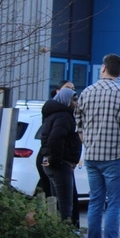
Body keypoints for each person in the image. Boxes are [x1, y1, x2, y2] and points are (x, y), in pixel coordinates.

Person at [75, 54, 120, 238]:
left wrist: (89, 145)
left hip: (92, 156)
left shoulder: (87, 92)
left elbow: (79, 126)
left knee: (95, 202)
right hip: (114, 156)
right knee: (115, 204)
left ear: (103, 69)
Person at [39, 87, 82, 224]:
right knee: (65, 206)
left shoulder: (53, 115)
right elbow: (55, 139)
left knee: (57, 202)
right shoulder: (64, 117)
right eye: (74, 100)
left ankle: (58, 234)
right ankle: (65, 236)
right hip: (61, 165)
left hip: (53, 163)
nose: (77, 103)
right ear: (66, 100)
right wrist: (58, 162)